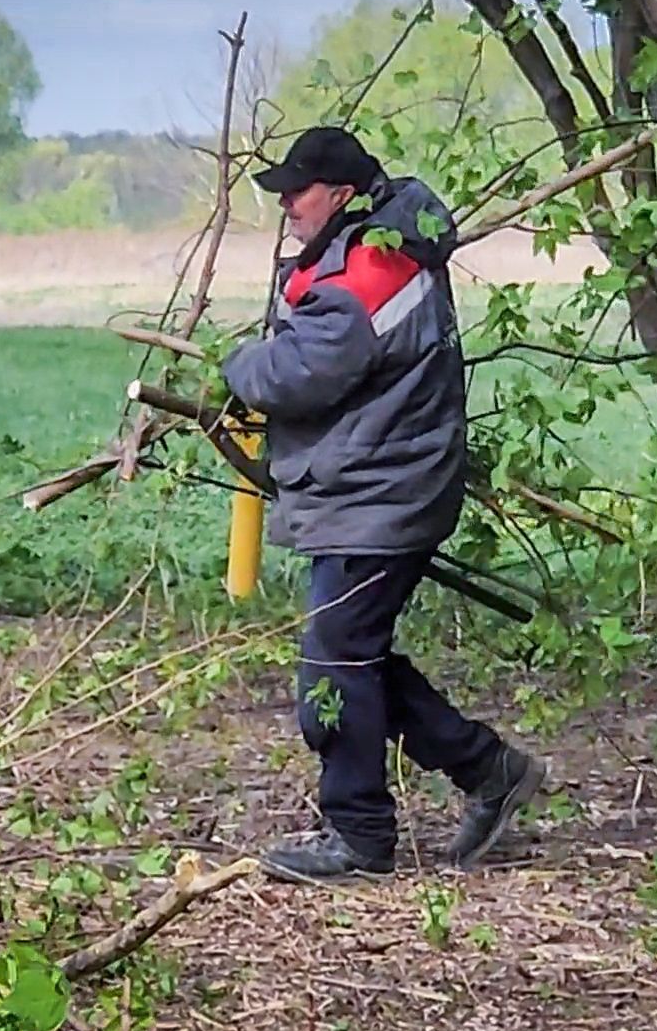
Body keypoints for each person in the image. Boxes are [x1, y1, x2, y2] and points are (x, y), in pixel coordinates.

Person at [220, 127, 546, 884]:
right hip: (376, 487)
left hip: (383, 493)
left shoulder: (373, 261)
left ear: (338, 194)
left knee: (332, 672)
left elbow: (300, 370)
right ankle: (490, 770)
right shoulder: (371, 240)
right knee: (352, 655)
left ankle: (360, 839)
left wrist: (234, 363)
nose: (287, 207)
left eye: (296, 193)